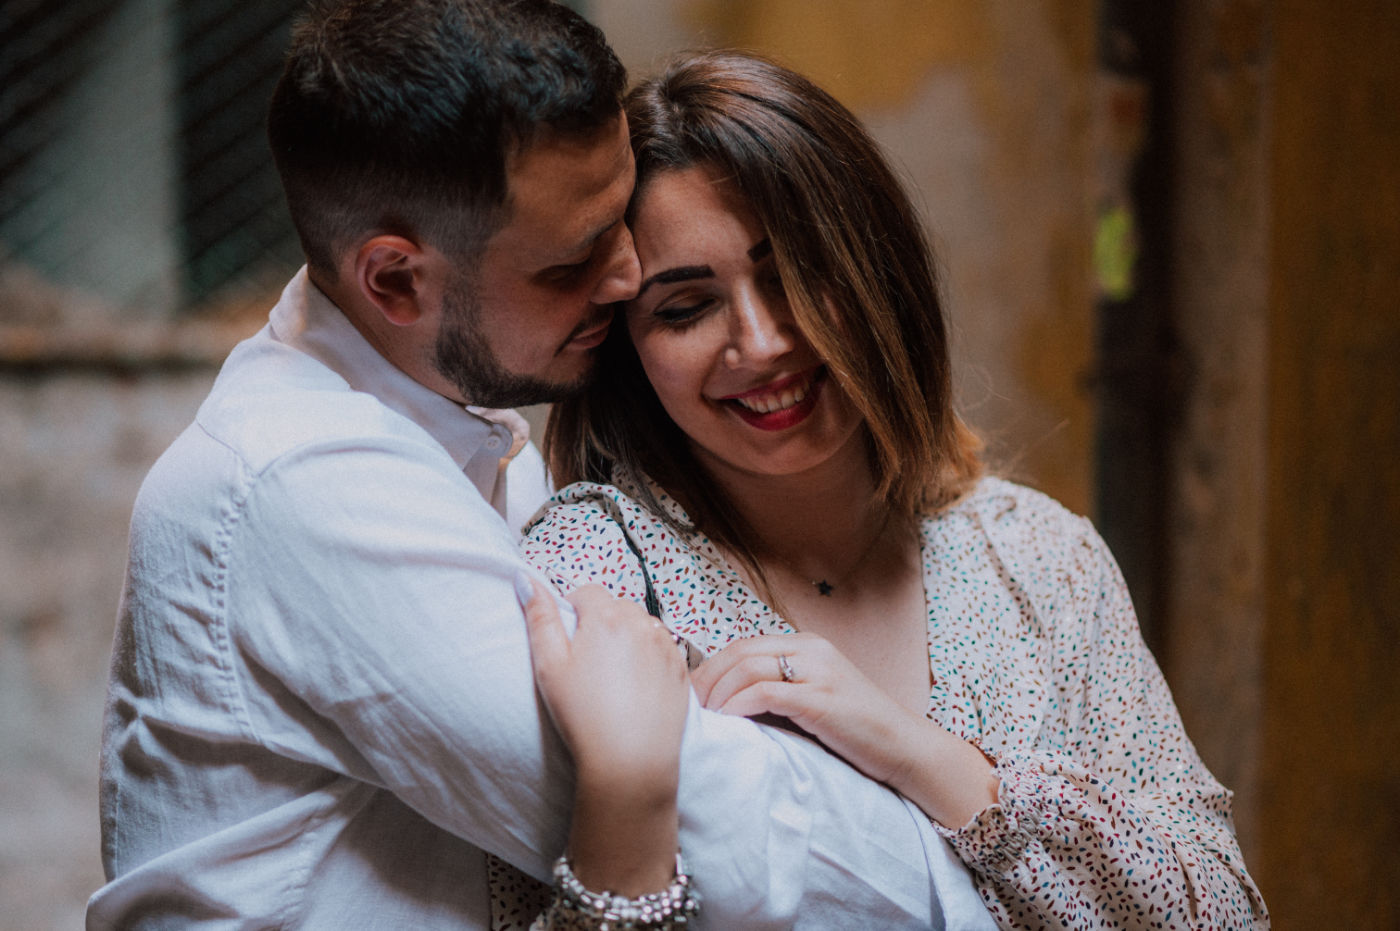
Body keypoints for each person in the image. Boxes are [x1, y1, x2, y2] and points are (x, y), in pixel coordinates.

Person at [87, 2, 997, 929]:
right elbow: (717, 819)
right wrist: (997, 870)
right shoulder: (301, 485)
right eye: (573, 261)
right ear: (396, 279)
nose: (629, 274)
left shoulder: (479, 445)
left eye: (619, 218)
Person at [521, 49, 1271, 930]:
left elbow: (1223, 911)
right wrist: (625, 803)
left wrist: (927, 760)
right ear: (627, 348)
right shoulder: (595, 575)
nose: (761, 343)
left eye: (797, 271)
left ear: (876, 265)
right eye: (685, 309)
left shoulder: (1039, 558)